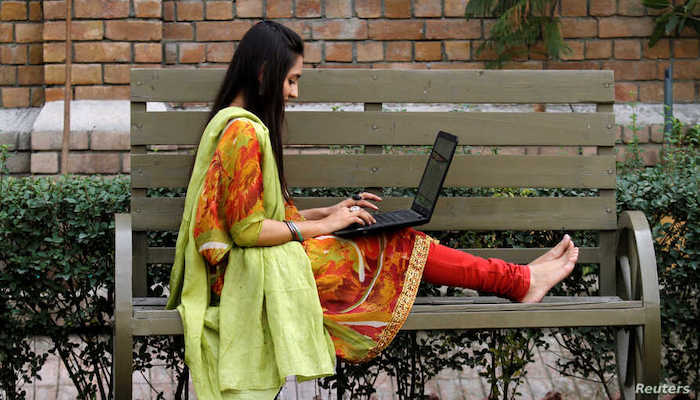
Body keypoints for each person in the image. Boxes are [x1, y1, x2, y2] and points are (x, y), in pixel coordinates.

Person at [166, 20, 580, 400]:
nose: (294, 92)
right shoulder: (242, 131)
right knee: (396, 241)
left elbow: (260, 216)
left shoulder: (237, 125)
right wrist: (329, 224)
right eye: (291, 80)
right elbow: (247, 231)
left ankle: (518, 280)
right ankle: (519, 281)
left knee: (391, 237)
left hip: (262, 265)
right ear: (263, 73)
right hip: (250, 275)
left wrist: (327, 213)